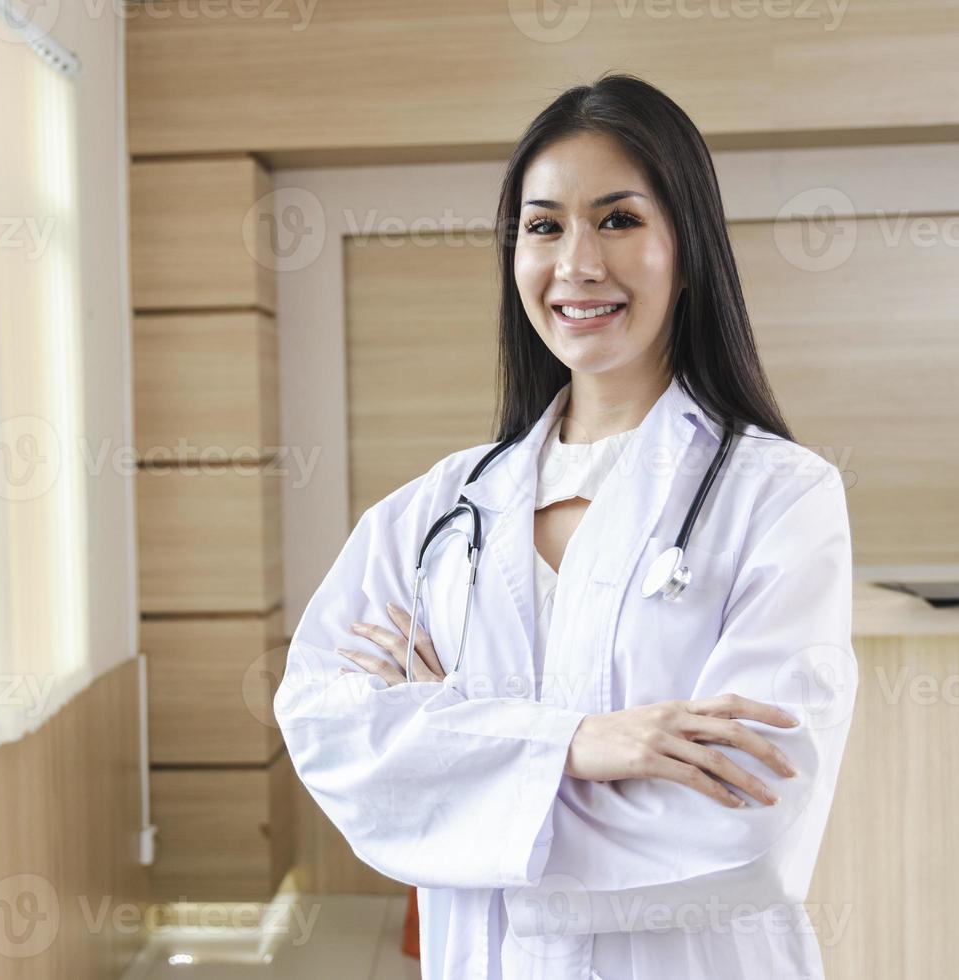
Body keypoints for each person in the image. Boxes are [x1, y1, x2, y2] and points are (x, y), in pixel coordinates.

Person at [272, 71, 857, 979]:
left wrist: (457, 744)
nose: (576, 263)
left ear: (687, 246)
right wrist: (579, 746)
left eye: (618, 220)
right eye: (544, 226)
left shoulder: (778, 496)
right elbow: (330, 734)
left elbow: (748, 822)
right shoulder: (435, 512)